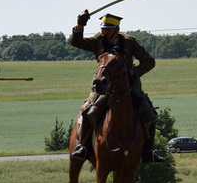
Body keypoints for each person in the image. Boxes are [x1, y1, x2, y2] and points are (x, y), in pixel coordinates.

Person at [70, 11, 164, 163]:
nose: (104, 31)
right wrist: (80, 25)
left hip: (128, 86)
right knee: (88, 110)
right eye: (102, 28)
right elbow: (76, 42)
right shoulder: (97, 40)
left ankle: (149, 151)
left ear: (117, 29)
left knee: (149, 112)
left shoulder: (129, 42)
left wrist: (132, 73)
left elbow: (149, 61)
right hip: (103, 86)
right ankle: (83, 147)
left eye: (108, 29)